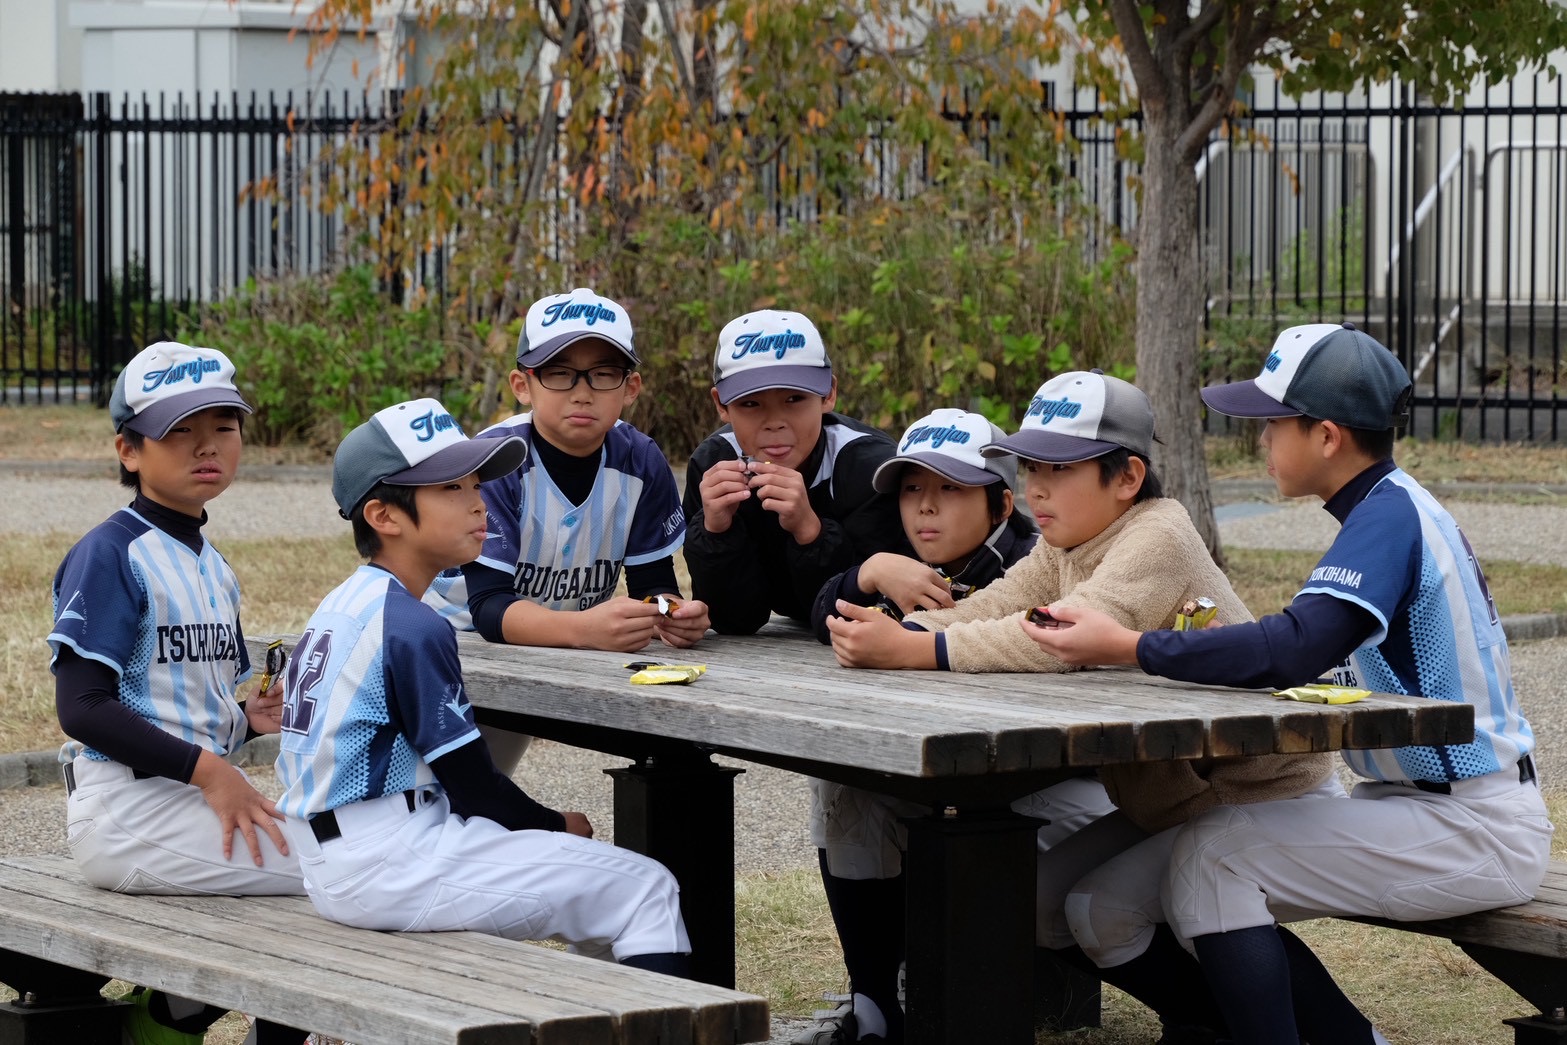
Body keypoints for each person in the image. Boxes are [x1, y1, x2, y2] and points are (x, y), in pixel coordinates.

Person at [1022, 325, 1554, 1045]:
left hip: (1472, 825)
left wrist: (1131, 645)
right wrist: (1209, 649)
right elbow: (1308, 651)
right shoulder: (1384, 510)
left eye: (1273, 423)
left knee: (1216, 859)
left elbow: (1295, 646)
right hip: (1418, 805)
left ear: (1326, 436)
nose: (1261, 439)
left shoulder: (1388, 516)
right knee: (1108, 903)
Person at [828, 370, 1338, 1045]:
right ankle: (1213, 1019)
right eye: (1030, 465)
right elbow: (999, 604)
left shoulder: (1158, 534)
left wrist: (916, 650)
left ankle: (1318, 1032)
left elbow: (1057, 638)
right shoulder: (1066, 541)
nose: (1035, 487)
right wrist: (904, 630)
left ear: (1127, 477)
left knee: (1158, 902)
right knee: (1044, 903)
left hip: (1261, 792)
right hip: (1175, 797)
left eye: (1059, 468)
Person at [274, 398, 691, 978]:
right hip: (389, 860)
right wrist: (556, 824)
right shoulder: (412, 624)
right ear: (383, 516)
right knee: (646, 888)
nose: (478, 503)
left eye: (475, 484)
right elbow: (475, 788)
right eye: (451, 488)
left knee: (605, 884)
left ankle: (599, 1012)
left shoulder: (345, 602)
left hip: (338, 852)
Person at [798, 407, 1115, 1045]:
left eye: (951, 488)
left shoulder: (1039, 558)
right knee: (845, 787)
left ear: (1002, 505)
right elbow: (823, 612)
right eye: (912, 488)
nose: (926, 506)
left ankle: (959, 993)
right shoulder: (903, 564)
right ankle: (874, 1007)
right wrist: (864, 573)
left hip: (1061, 785)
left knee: (950, 816)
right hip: (959, 775)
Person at [48, 341, 307, 1045]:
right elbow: (81, 707)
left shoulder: (211, 563)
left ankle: (167, 1019)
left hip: (184, 805)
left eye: (223, 426)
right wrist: (213, 771)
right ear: (129, 450)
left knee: (339, 852)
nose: (207, 445)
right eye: (179, 430)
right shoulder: (111, 553)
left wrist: (244, 720)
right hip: (128, 810)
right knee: (339, 865)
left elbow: (174, 702)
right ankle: (173, 1018)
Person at [423, 288, 708, 769]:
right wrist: (585, 630)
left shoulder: (641, 460)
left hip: (548, 646)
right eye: (558, 372)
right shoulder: (495, 459)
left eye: (603, 373)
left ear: (630, 388)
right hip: (452, 648)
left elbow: (651, 582)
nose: (582, 391)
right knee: (440, 793)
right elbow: (488, 608)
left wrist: (670, 612)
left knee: (488, 791)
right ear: (523, 385)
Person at [683, 308, 905, 635]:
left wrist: (810, 529)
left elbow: (869, 612)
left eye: (794, 398)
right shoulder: (712, 464)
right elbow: (733, 621)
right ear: (721, 405)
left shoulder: (872, 468)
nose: (775, 422)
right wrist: (715, 531)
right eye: (750, 403)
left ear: (828, 394)